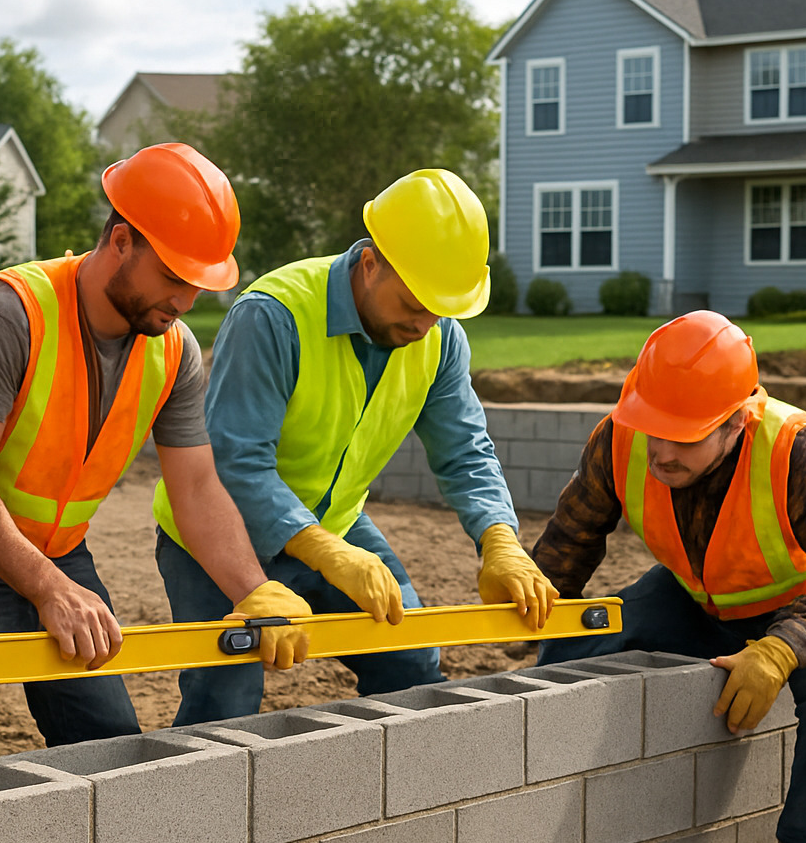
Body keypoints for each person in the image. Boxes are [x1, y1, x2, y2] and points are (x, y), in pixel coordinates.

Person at [0, 142, 310, 766]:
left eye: (197, 285)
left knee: (108, 749)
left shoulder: (173, 350)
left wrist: (254, 589)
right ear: (120, 242)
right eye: (173, 277)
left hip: (61, 554)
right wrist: (46, 587)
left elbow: (196, 488)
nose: (184, 302)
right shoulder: (10, 314)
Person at [154, 168, 557, 726]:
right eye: (415, 301)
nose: (425, 322)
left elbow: (465, 450)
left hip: (336, 526)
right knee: (226, 703)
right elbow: (234, 461)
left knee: (411, 663)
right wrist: (329, 553)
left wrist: (500, 541)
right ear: (370, 262)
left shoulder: (439, 338)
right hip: (216, 533)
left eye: (442, 307)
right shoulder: (273, 316)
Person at [531, 310, 806, 843]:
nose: (661, 452)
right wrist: (529, 603)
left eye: (686, 436)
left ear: (736, 422)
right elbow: (568, 546)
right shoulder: (621, 437)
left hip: (795, 615)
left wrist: (780, 650)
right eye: (654, 428)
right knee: (577, 643)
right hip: (689, 601)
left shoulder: (795, 450)